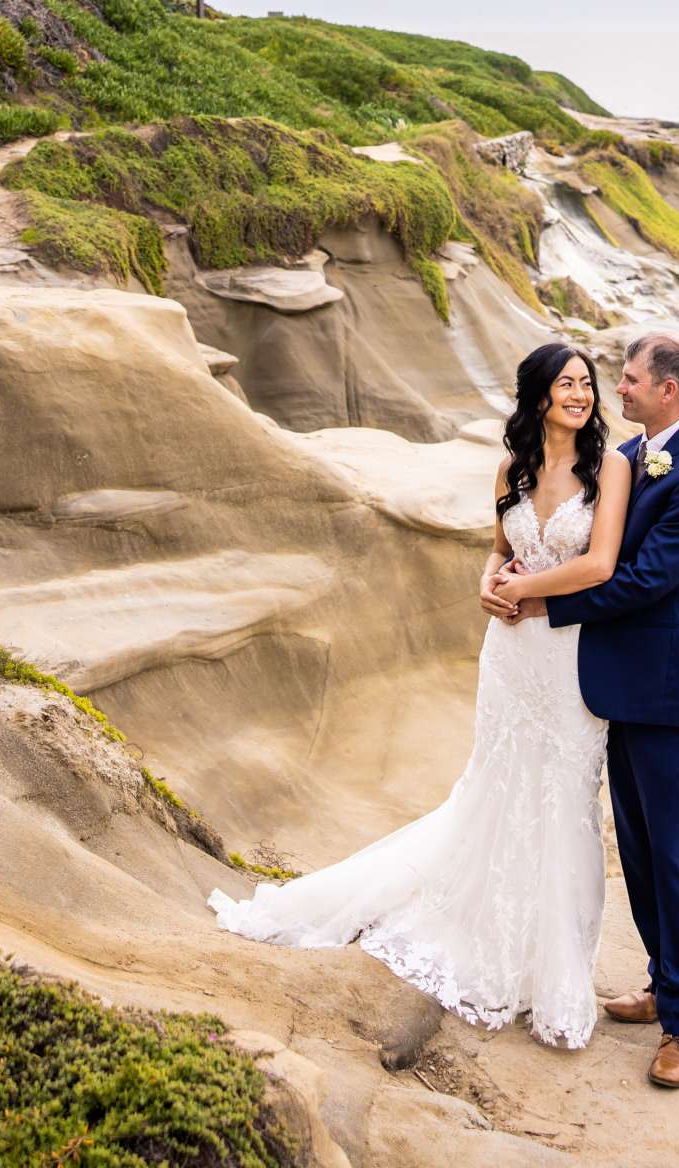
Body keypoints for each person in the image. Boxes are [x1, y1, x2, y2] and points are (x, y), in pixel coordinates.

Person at [209, 341, 629, 1048]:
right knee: (496, 785)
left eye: (587, 384)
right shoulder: (512, 468)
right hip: (511, 654)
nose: (581, 395)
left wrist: (523, 588)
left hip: (566, 654)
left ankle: (551, 969)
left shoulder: (609, 468)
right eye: (567, 384)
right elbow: (499, 546)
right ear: (538, 397)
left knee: (563, 798)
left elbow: (600, 562)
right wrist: (487, 581)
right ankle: (481, 927)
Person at [485, 330, 679, 1090]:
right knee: (637, 846)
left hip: (665, 690)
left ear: (667, 390)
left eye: (627, 380)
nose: (614, 389)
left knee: (675, 855)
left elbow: (642, 581)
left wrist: (535, 604)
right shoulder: (632, 456)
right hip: (611, 683)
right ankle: (664, 981)